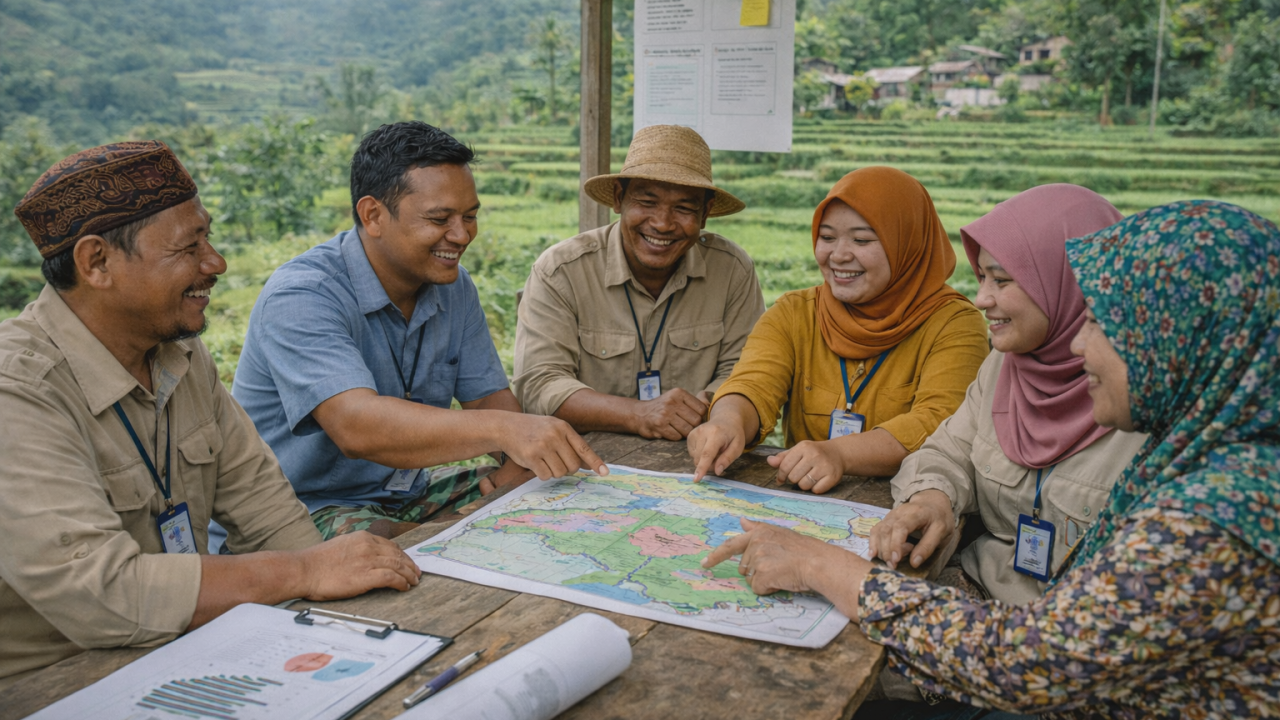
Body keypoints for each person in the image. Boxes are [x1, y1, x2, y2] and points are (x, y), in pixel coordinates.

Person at [704, 200, 1280, 718]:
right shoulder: (1202, 451)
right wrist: (934, 496)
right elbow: (951, 447)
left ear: (1180, 339)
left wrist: (824, 568)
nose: (1081, 343)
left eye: (1104, 323)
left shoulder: (1217, 517)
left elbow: (1033, 663)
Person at [0, 142, 420, 688]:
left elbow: (268, 514)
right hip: (57, 682)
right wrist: (305, 572)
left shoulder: (180, 354)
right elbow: (102, 595)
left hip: (189, 650)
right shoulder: (19, 391)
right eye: (188, 247)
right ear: (96, 262)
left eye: (209, 237)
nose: (215, 263)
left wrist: (333, 587)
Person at [232, 122, 606, 541]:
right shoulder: (303, 295)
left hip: (402, 495)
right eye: (439, 218)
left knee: (555, 491)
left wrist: (519, 461)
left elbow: (485, 398)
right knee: (382, 549)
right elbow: (356, 427)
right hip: (299, 508)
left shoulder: (453, 286)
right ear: (372, 215)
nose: (462, 235)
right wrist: (508, 431)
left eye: (470, 216)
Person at [872, 185, 1147, 606]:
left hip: (1067, 629)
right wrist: (933, 498)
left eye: (1001, 280)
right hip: (977, 589)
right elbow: (949, 449)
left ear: (1069, 283)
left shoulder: (1146, 401)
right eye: (982, 277)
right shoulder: (1008, 363)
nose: (981, 298)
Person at [688, 167, 988, 490]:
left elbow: (939, 423)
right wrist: (727, 421)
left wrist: (838, 454)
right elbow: (752, 382)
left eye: (861, 240)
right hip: (803, 505)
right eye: (827, 237)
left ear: (907, 242)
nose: (839, 255)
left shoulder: (954, 324)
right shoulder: (794, 314)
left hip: (907, 507)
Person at [512, 124, 765, 441]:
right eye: (647, 202)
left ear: (705, 214)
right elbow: (539, 383)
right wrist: (638, 415)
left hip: (696, 455)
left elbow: (747, 372)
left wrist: (708, 410)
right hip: (587, 462)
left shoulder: (731, 271)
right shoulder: (562, 271)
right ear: (619, 199)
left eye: (684, 208)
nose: (662, 223)